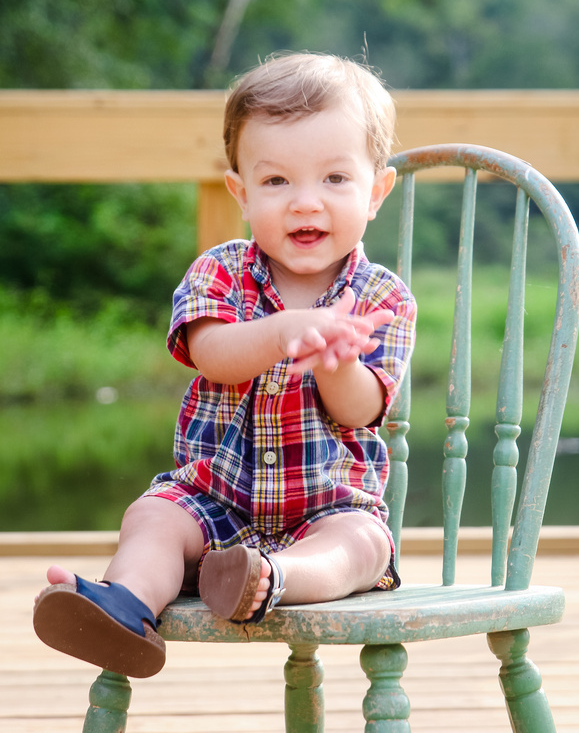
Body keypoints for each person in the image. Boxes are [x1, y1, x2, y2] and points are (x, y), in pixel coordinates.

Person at [33, 52, 417, 678]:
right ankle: (126, 606)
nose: (305, 204)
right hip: (214, 496)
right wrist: (287, 331)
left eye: (335, 180)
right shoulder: (219, 271)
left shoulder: (383, 296)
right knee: (152, 516)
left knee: (362, 547)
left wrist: (334, 363)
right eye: (276, 182)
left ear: (376, 191)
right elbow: (212, 355)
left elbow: (362, 409)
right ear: (240, 192)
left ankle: (269, 579)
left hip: (327, 504)